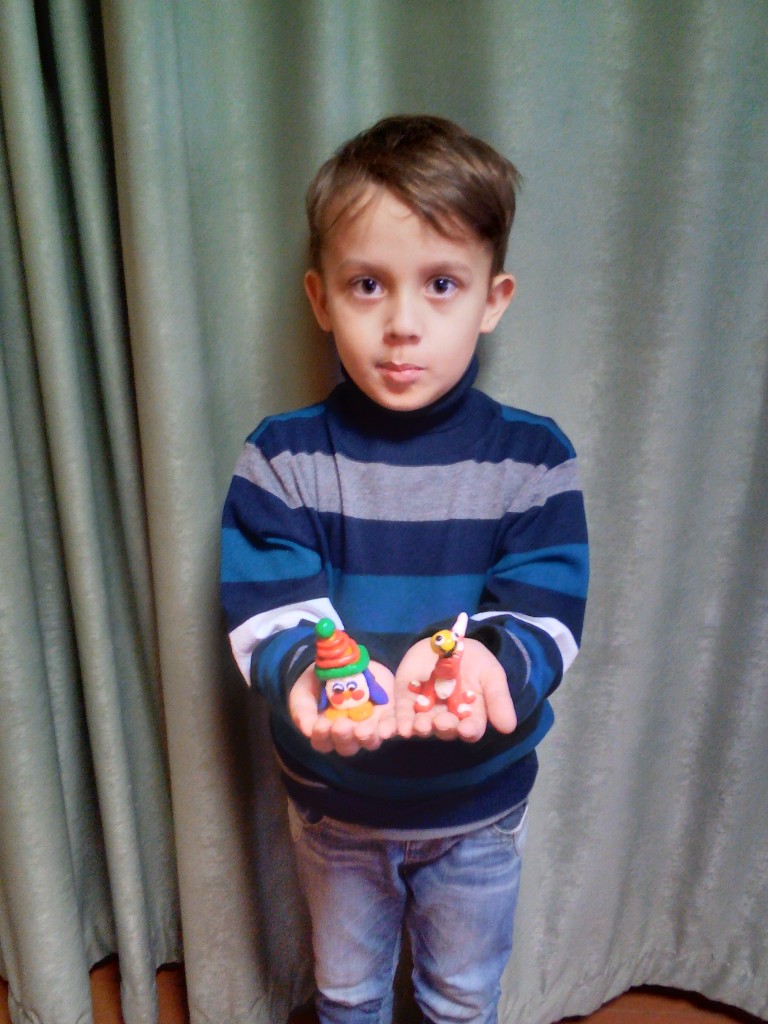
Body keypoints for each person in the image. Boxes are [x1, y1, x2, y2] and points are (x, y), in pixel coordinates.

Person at [220, 114, 589, 1024]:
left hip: (481, 808)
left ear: (492, 299)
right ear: (321, 299)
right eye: (368, 285)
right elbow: (272, 612)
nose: (402, 325)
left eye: (442, 284)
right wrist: (309, 678)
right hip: (335, 808)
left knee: (462, 999)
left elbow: (545, 612)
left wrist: (485, 665)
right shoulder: (281, 458)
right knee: (347, 997)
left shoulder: (535, 459)